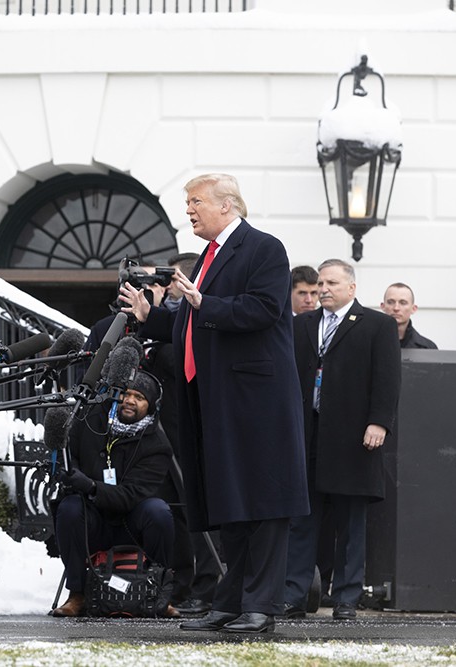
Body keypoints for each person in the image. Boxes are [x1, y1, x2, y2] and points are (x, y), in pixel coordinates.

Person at [119, 173, 308, 634]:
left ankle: (261, 604)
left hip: (256, 400)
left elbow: (263, 309)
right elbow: (191, 321)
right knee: (232, 502)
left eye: (195, 201)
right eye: (187, 201)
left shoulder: (264, 248)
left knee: (263, 502)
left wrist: (203, 302)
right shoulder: (209, 255)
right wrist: (152, 317)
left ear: (227, 205)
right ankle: (231, 603)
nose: (188, 209)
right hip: (218, 400)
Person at [285, 259, 401, 621]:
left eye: (331, 282)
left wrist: (378, 422)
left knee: (351, 523)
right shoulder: (302, 325)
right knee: (302, 520)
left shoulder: (377, 324)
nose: (323, 289)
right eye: (320, 283)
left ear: (351, 288)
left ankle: (346, 599)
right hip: (309, 434)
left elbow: (387, 378)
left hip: (353, 439)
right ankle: (295, 595)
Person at [50, 371, 175, 618]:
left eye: (139, 397)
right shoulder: (89, 420)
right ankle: (77, 595)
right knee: (70, 507)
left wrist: (91, 486)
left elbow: (130, 495)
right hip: (92, 518)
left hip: (131, 522)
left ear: (150, 407)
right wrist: (68, 474)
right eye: (126, 394)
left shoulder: (158, 446)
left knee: (159, 512)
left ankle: (157, 594)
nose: (130, 400)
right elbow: (69, 454)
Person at [380, 283, 437, 349]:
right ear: (383, 306)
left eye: (403, 303)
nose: (396, 308)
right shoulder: (368, 345)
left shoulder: (428, 348)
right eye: (390, 302)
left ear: (413, 309)